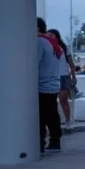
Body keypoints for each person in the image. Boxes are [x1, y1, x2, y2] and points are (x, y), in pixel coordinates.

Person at [37, 18, 64, 153]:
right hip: (53, 84)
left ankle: (39, 143)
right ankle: (55, 141)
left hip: (42, 85)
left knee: (41, 117)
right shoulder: (53, 43)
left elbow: (34, 64)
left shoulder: (39, 42)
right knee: (52, 115)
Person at [48, 28, 78, 131]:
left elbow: (71, 63)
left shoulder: (65, 47)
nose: (50, 37)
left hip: (64, 76)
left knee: (63, 99)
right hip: (51, 76)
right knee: (51, 102)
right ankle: (54, 123)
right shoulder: (47, 47)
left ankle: (68, 121)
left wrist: (73, 76)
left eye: (52, 35)